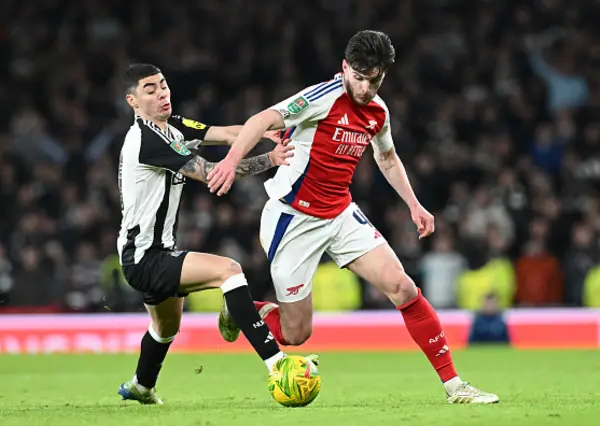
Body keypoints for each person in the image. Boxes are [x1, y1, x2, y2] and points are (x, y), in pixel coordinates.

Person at [209, 31, 499, 404]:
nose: (365, 87)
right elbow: (261, 119)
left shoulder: (378, 112)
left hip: (341, 214)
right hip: (293, 219)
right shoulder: (321, 98)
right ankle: (246, 309)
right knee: (296, 336)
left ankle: (455, 386)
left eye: (373, 79)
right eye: (359, 77)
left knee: (403, 287)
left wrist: (414, 204)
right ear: (344, 68)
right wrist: (231, 163)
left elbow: (387, 157)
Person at [116, 63, 310, 404]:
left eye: (163, 85)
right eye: (150, 89)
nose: (162, 93)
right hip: (145, 257)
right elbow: (210, 174)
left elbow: (224, 133)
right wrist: (270, 159)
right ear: (132, 101)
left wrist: (263, 131)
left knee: (165, 330)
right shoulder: (147, 140)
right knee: (230, 270)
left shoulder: (171, 125)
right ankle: (276, 363)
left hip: (146, 254)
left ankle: (141, 387)